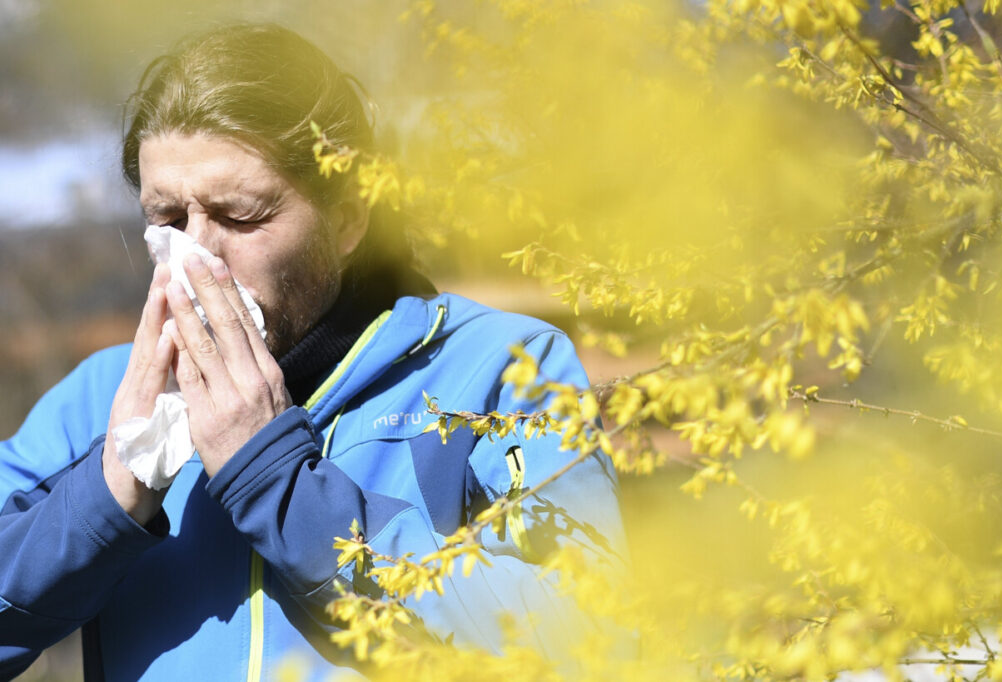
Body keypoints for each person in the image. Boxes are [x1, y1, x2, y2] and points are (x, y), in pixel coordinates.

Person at [0, 23, 625, 681]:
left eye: (241, 216)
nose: (198, 254)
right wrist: (108, 497)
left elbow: (585, 640)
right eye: (169, 221)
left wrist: (280, 482)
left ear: (349, 218)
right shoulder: (108, 395)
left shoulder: (500, 368)